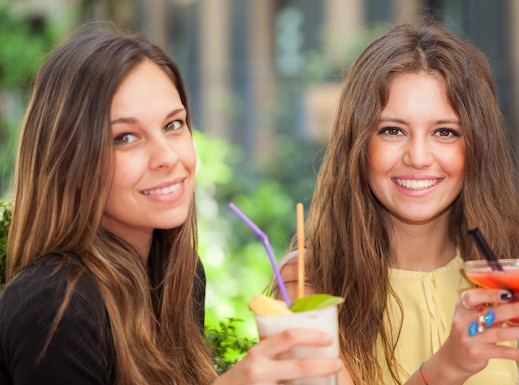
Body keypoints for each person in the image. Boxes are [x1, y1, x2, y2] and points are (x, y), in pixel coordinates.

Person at [0, 25, 343, 385]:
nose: (167, 156)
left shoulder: (178, 275)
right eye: (126, 137)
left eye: (173, 124)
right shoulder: (54, 305)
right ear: (70, 159)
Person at [280, 23, 519, 385]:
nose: (418, 157)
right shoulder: (306, 283)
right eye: (392, 130)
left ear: (477, 146)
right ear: (358, 145)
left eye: (445, 132)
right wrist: (447, 367)